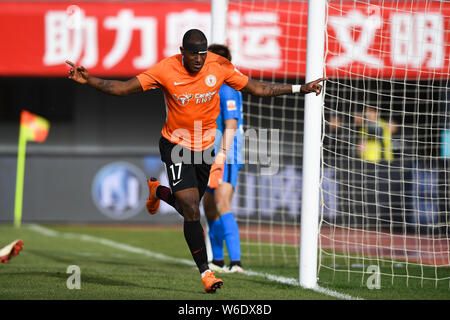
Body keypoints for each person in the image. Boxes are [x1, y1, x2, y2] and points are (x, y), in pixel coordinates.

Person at [66, 29, 326, 293]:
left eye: (202, 54)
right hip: (175, 144)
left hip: (204, 148)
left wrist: (299, 88)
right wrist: (90, 81)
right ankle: (206, 273)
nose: (199, 59)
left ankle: (158, 191)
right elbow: (123, 88)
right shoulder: (165, 69)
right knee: (191, 209)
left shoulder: (219, 66)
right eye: (193, 54)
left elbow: (256, 88)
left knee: (187, 207)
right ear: (182, 52)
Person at [202, 44, 244, 274]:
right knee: (208, 208)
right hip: (208, 154)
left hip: (226, 155)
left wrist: (221, 156)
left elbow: (231, 125)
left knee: (222, 203)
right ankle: (217, 260)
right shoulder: (212, 86)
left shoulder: (227, 87)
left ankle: (236, 262)